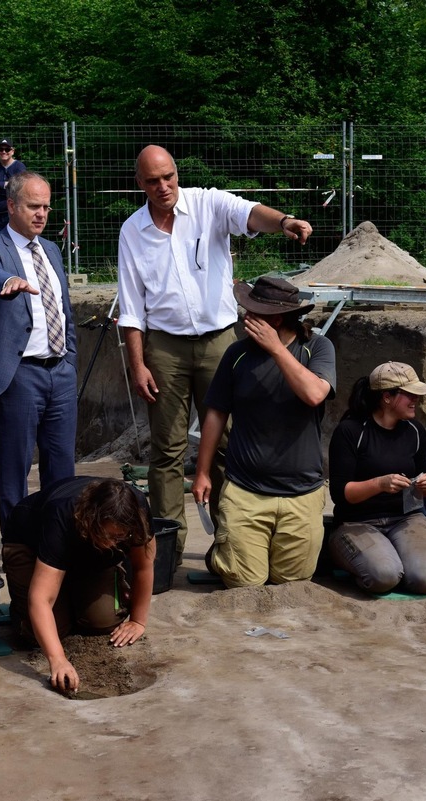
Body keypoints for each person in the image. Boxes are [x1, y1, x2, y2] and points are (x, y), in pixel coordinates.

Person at [118, 145, 314, 561]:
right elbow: (131, 307)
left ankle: (232, 539)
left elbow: (250, 213)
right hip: (164, 348)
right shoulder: (132, 231)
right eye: (152, 181)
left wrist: (284, 222)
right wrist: (137, 363)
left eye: (168, 176)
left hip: (220, 342)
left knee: (228, 442)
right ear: (140, 184)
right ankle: (168, 547)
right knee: (167, 451)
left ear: (176, 173)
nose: (163, 186)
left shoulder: (209, 203)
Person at [191, 276, 335, 589]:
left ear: (277, 319)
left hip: (302, 491)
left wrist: (276, 350)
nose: (245, 317)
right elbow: (215, 414)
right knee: (245, 583)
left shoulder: (317, 348)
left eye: (253, 312)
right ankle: (226, 551)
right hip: (246, 489)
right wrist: (202, 472)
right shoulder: (236, 354)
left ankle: (232, 548)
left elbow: (314, 394)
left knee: (291, 584)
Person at [0, 172, 77, 534]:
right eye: (33, 206)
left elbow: (64, 308)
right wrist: (7, 282)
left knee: (62, 469)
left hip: (59, 372)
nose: (42, 214)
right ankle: (18, 549)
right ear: (11, 206)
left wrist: (70, 359)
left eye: (46, 206)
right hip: (18, 375)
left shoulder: (53, 250)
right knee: (14, 470)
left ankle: (57, 545)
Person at [2, 476, 154, 694]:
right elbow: (41, 599)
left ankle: (71, 587)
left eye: (120, 537)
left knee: (103, 621)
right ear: (91, 520)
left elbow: (143, 566)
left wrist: (138, 621)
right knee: (45, 633)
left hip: (85, 552)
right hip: (28, 543)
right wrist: (58, 659)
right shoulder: (61, 513)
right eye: (108, 536)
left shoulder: (136, 510)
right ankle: (23, 609)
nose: (114, 544)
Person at [328, 362, 426, 595]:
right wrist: (379, 484)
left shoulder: (416, 432)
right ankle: (350, 556)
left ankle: (393, 559)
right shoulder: (351, 431)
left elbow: (422, 489)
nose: (416, 400)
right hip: (357, 522)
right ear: (386, 397)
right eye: (409, 395)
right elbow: (340, 493)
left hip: (406, 519)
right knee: (385, 576)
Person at [0, 138, 27, 234]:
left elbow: (18, 187)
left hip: (14, 213)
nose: (3, 152)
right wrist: (4, 184)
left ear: (13, 151)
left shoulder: (19, 167)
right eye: (0, 149)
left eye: (7, 149)